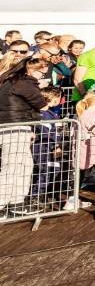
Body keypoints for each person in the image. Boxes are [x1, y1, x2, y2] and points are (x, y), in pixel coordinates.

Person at [0, 55, 49, 216]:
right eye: (42, 73)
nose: (43, 76)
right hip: (14, 127)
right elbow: (42, 106)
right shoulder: (25, 83)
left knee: (25, 165)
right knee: (12, 167)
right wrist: (41, 89)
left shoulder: (11, 80)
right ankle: (2, 204)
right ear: (32, 70)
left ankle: (17, 202)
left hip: (17, 126)